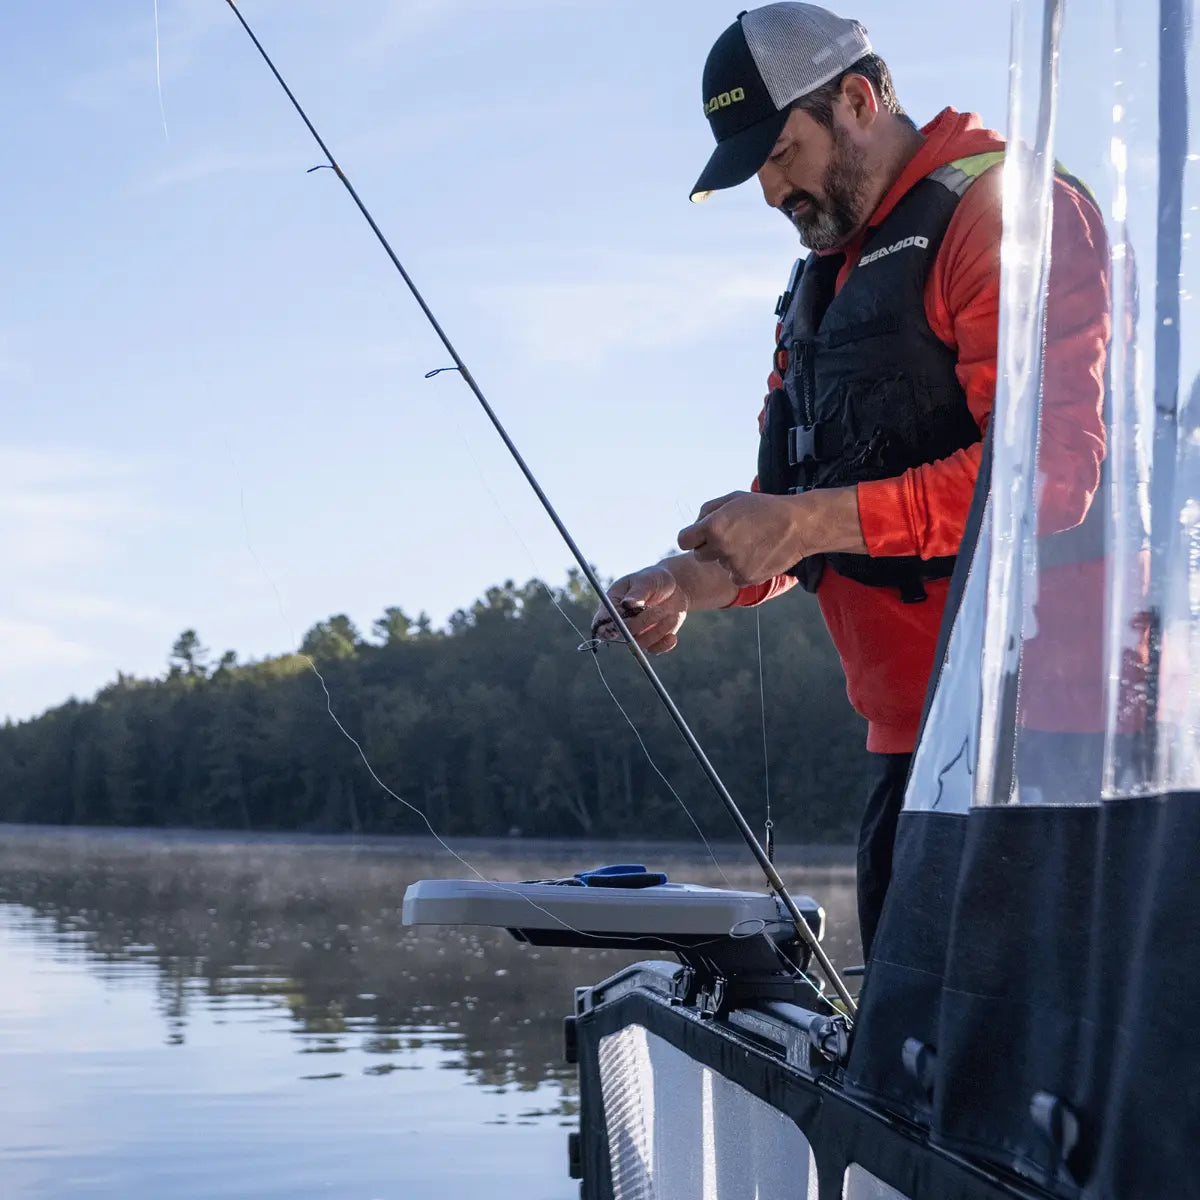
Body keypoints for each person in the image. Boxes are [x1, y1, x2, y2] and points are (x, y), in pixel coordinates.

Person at [592, 2, 1110, 957]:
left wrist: (801, 523)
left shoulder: (1005, 212)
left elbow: (1049, 475)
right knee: (908, 1044)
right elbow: (793, 521)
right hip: (909, 751)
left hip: (1051, 749)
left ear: (859, 101)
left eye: (782, 153)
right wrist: (686, 581)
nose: (770, 190)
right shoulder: (818, 287)